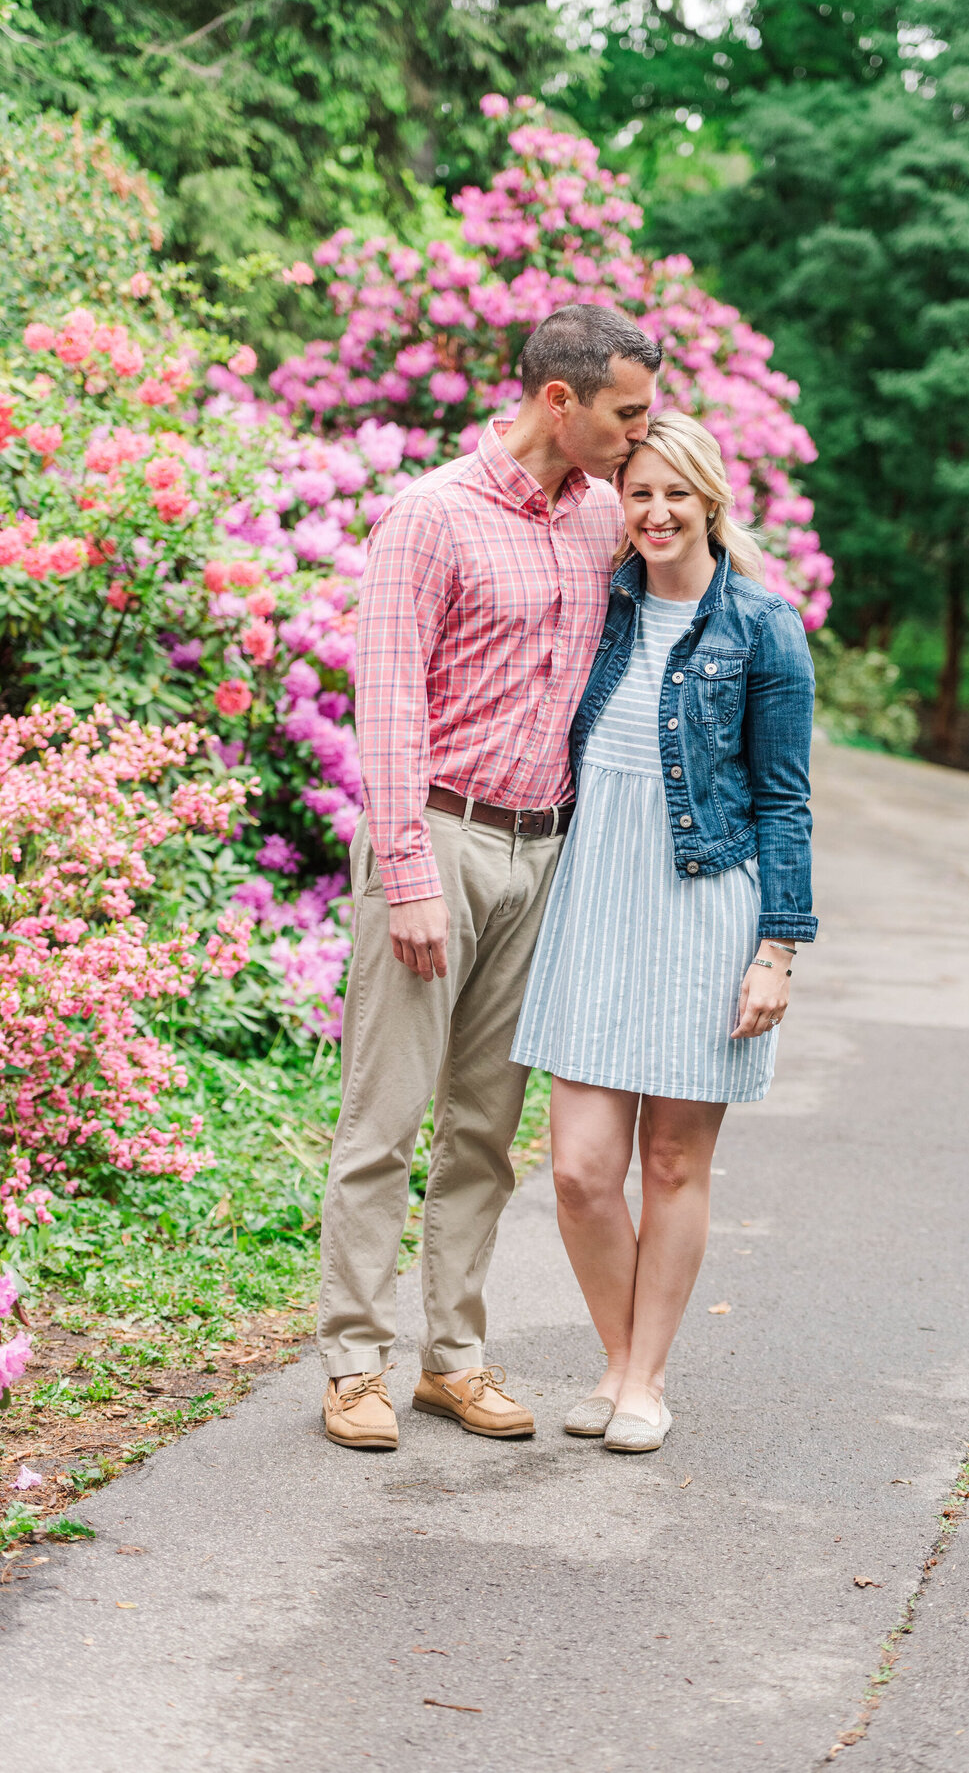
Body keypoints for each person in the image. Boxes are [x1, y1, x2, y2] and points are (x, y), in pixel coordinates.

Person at [318, 305, 661, 1451]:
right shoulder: (429, 516)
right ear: (558, 401)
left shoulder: (606, 518)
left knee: (483, 1128)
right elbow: (389, 698)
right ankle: (355, 1366)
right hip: (441, 841)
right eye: (625, 412)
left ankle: (451, 1359)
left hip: (545, 853)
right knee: (386, 1119)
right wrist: (407, 869)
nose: (640, 434)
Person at [510, 410, 817, 1453]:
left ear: (711, 498)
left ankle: (643, 1380)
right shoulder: (600, 606)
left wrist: (777, 948)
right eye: (638, 492)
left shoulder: (763, 625)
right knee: (581, 1169)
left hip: (705, 906)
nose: (656, 511)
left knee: (675, 1161)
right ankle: (616, 1354)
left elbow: (785, 800)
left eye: (675, 492)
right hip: (597, 899)